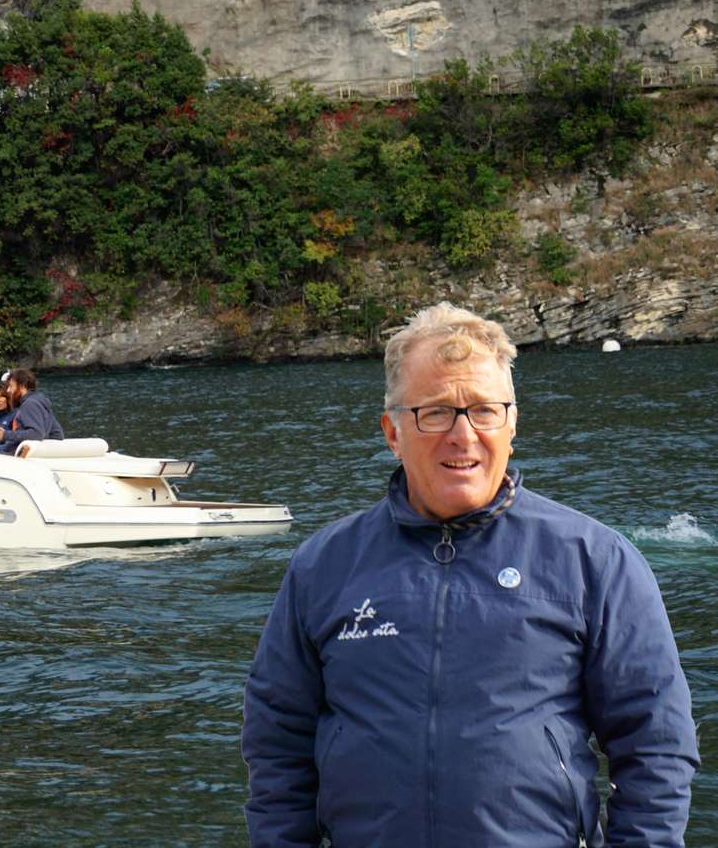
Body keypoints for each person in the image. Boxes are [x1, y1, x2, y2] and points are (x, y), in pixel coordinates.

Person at [242, 303, 698, 846]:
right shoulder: (323, 566)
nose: (462, 435)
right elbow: (277, 745)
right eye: (434, 412)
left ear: (511, 424)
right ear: (393, 432)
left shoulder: (595, 559)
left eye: (484, 410)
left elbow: (656, 745)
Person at [0, 367, 65, 454]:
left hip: (11, 458)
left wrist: (5, 435)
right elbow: (58, 433)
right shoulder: (39, 401)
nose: (8, 390)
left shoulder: (29, 404)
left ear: (22, 386)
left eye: (11, 386)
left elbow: (37, 433)